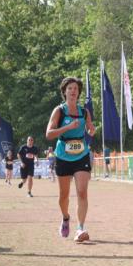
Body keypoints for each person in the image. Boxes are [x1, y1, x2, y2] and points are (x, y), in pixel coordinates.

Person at [46, 77, 96, 242]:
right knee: (63, 196)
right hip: (63, 156)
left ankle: (80, 228)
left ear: (78, 92)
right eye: (70, 88)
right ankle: (66, 217)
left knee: (82, 192)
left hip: (81, 155)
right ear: (64, 92)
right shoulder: (59, 111)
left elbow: (90, 128)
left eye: (75, 88)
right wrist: (68, 127)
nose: (73, 91)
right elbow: (49, 134)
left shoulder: (84, 112)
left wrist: (91, 130)